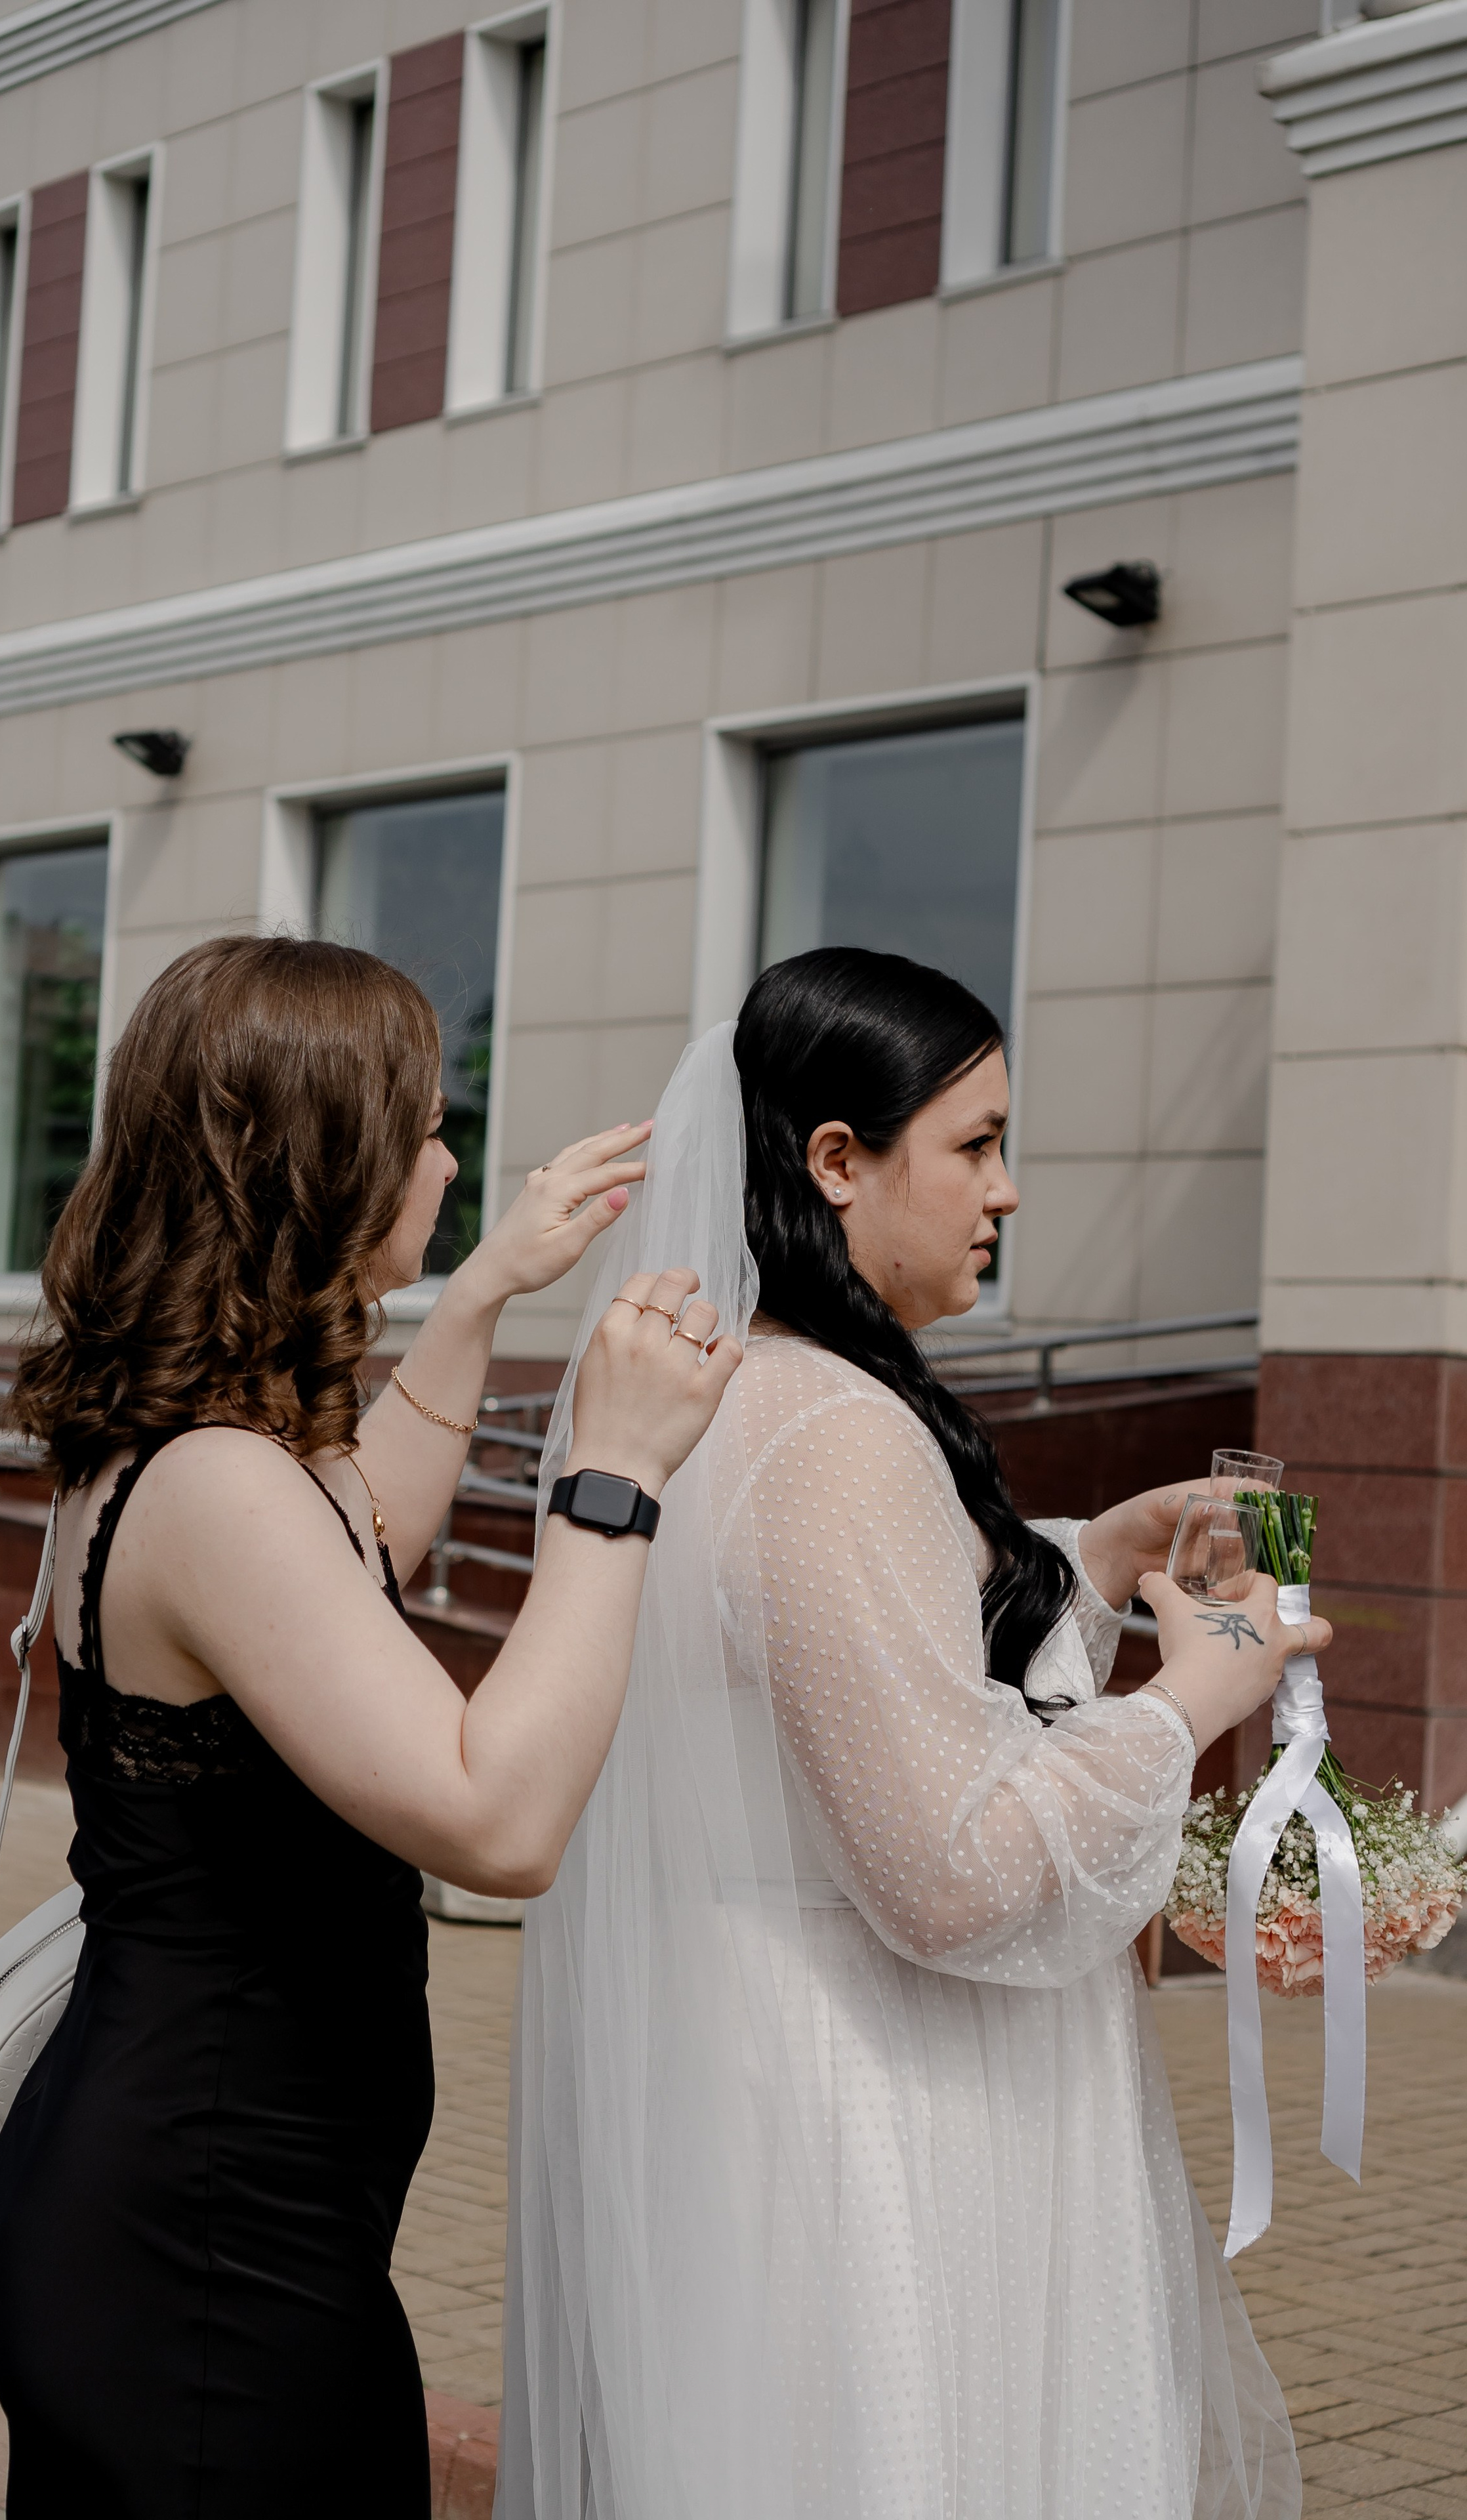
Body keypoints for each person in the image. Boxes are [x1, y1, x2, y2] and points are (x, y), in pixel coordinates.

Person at [499, 948, 1330, 2520]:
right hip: (873, 2110)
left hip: (762, 2066)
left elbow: (843, 1667)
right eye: (972, 1145)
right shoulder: (831, 1430)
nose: (1004, 1191)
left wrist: (1085, 1556)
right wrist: (1189, 1700)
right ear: (833, 1161)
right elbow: (948, 1870)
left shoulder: (732, 1392)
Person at [0, 934, 741, 2519]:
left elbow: (366, 1534)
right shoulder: (219, 1483)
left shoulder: (196, 1442)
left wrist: (476, 1295)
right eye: (425, 1125)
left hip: (215, 2213)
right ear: (312, 1164)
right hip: (197, 2255)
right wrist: (616, 1478)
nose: (454, 1158)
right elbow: (496, 1821)